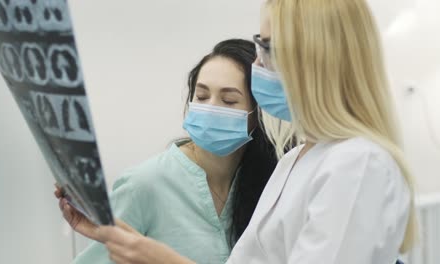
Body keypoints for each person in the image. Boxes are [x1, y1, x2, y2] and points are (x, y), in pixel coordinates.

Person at [93, 0, 416, 264]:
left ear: (316, 59)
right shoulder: (297, 159)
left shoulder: (357, 163)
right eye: (202, 96)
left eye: (268, 49)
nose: (258, 64)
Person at [55, 38, 279, 263]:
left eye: (229, 101)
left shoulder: (273, 184)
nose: (210, 108)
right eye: (201, 96)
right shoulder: (143, 184)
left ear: (258, 114)